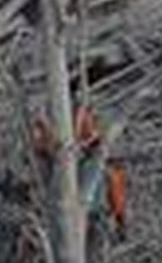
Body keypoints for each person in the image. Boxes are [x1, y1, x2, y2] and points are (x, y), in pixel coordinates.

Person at [32, 81, 127, 240]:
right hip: (61, 186)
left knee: (106, 174)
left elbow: (90, 137)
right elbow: (42, 146)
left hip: (82, 197)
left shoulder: (80, 116)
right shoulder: (49, 118)